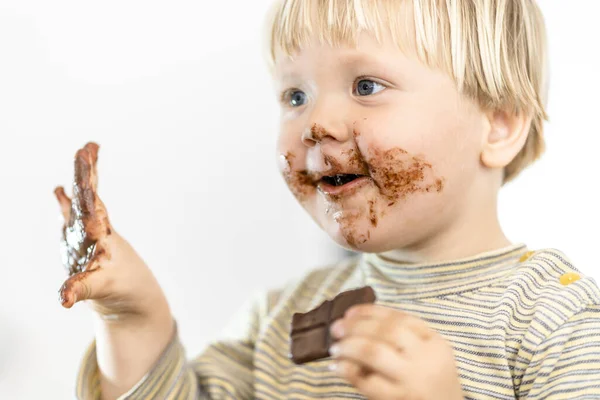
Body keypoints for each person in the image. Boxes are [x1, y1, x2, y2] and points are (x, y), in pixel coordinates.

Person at [54, 0, 600, 399]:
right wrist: (132, 318)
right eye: (295, 95)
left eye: (366, 85)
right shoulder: (278, 321)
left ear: (497, 125)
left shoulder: (553, 320)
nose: (315, 123)